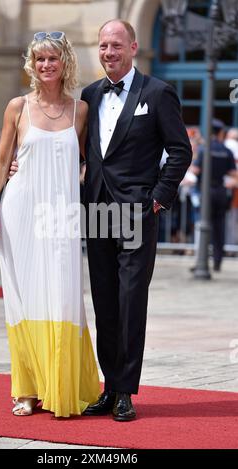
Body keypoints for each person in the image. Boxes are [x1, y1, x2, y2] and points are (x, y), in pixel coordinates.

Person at [0, 31, 100, 417]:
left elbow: (89, 163)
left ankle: (63, 384)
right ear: (32, 64)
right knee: (24, 298)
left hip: (61, 216)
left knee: (64, 297)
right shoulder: (17, 107)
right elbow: (2, 161)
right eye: (40, 59)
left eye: (53, 58)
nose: (46, 65)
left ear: (65, 61)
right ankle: (27, 389)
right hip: (20, 211)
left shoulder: (80, 110)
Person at [80, 19, 192, 421]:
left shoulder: (158, 93)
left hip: (137, 211)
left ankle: (126, 390)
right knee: (105, 301)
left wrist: (158, 199)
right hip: (96, 210)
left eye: (115, 45)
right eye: (103, 46)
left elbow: (180, 151)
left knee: (130, 302)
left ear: (133, 47)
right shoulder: (89, 94)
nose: (108, 52)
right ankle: (109, 388)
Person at [191, 119, 238, 271]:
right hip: (221, 191)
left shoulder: (205, 150)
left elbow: (196, 171)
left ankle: (201, 260)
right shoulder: (227, 151)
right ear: (221, 133)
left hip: (206, 191)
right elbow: (233, 173)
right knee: (219, 227)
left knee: (203, 225)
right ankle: (217, 261)